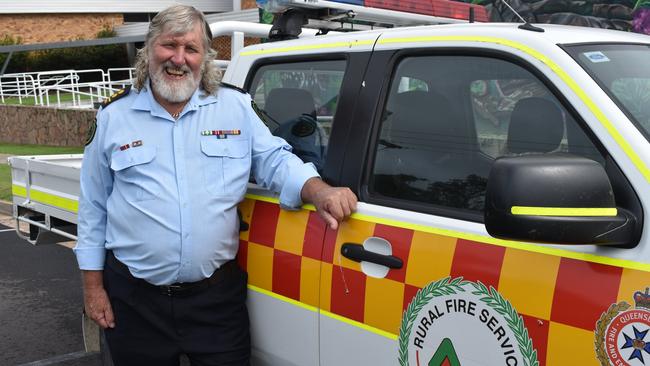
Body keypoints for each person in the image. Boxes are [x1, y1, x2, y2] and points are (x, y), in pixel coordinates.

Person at [74, 5, 357, 366]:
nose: (179, 59)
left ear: (205, 57)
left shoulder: (234, 107)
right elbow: (93, 207)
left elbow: (274, 159)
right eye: (169, 46)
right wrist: (93, 288)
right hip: (135, 302)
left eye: (191, 49)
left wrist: (318, 190)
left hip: (215, 304)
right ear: (149, 49)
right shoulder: (113, 117)